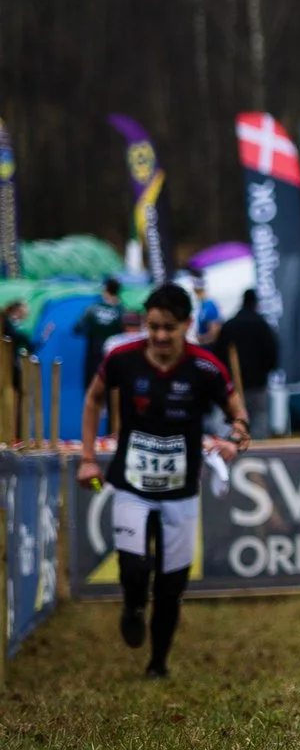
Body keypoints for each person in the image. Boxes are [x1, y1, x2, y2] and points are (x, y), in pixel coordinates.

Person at [72, 283, 249, 679]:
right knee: (134, 569)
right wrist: (87, 458)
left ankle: (158, 664)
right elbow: (94, 398)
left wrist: (235, 439)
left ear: (187, 324)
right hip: (131, 486)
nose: (161, 336)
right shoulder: (122, 358)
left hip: (181, 492)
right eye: (153, 327)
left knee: (172, 585)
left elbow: (238, 413)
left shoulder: (206, 367)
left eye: (170, 327)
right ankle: (133, 606)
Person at [218, 288, 281, 434]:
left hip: (233, 386)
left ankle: (235, 446)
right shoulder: (263, 326)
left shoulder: (230, 325)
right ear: (256, 304)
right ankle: (258, 448)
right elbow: (272, 354)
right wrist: (264, 372)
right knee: (259, 418)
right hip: (257, 384)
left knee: (235, 420)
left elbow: (219, 355)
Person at [77, 277, 127, 383]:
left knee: (91, 385)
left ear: (105, 290)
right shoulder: (122, 311)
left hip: (93, 354)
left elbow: (78, 328)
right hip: (113, 355)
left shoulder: (92, 309)